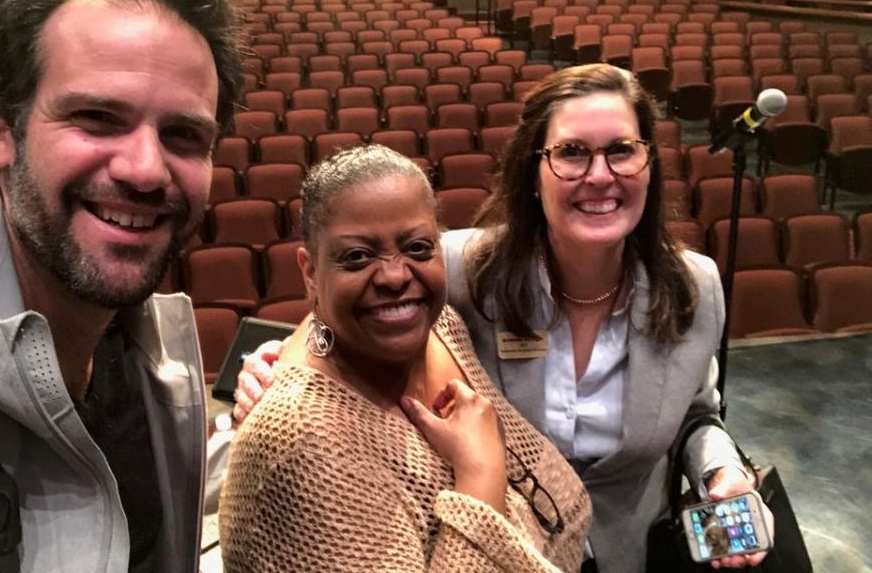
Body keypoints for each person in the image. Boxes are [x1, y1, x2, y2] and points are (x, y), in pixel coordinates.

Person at [232, 65, 771, 573]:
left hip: (632, 551)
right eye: (572, 153)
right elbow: (358, 290)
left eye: (621, 151)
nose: (600, 175)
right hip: (502, 546)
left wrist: (719, 471)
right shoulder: (465, 268)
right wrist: (276, 366)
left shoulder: (694, 288)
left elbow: (698, 411)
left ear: (648, 165)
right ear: (534, 173)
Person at [0, 0, 246, 572]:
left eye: (182, 134)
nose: (147, 169)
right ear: (1, 134)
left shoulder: (152, 346)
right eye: (97, 118)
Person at [219, 144, 591, 573]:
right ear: (309, 272)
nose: (396, 275)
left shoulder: (440, 326)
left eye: (417, 248)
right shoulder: (302, 440)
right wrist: (480, 475)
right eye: (357, 256)